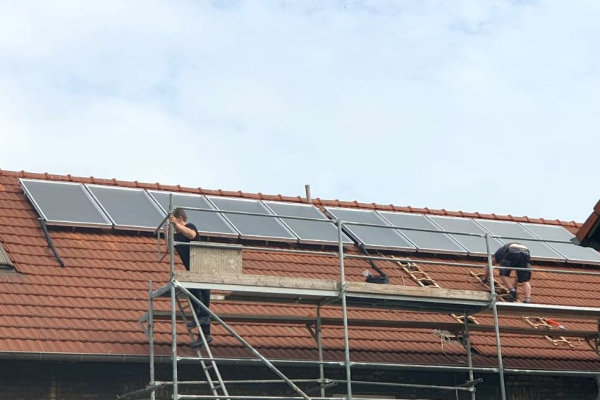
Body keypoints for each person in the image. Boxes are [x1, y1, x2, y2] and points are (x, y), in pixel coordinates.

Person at [169, 208, 213, 348]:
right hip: (193, 270)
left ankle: (205, 332)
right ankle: (202, 329)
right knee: (194, 295)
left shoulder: (189, 226)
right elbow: (170, 249)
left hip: (202, 268)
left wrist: (177, 225)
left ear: (180, 218)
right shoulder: (178, 236)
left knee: (202, 298)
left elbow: (192, 235)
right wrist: (168, 232)